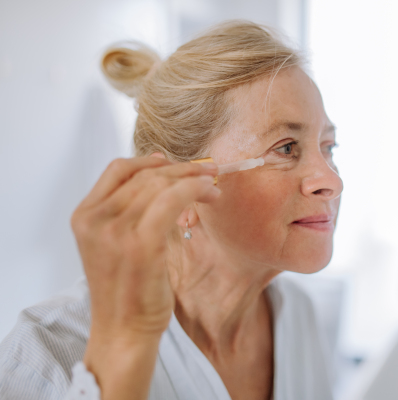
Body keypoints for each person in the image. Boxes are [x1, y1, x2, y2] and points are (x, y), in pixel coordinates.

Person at [0, 20, 343, 400]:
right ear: (179, 184)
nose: (331, 180)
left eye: (328, 147)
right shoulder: (44, 357)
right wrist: (126, 340)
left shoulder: (299, 315)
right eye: (286, 148)